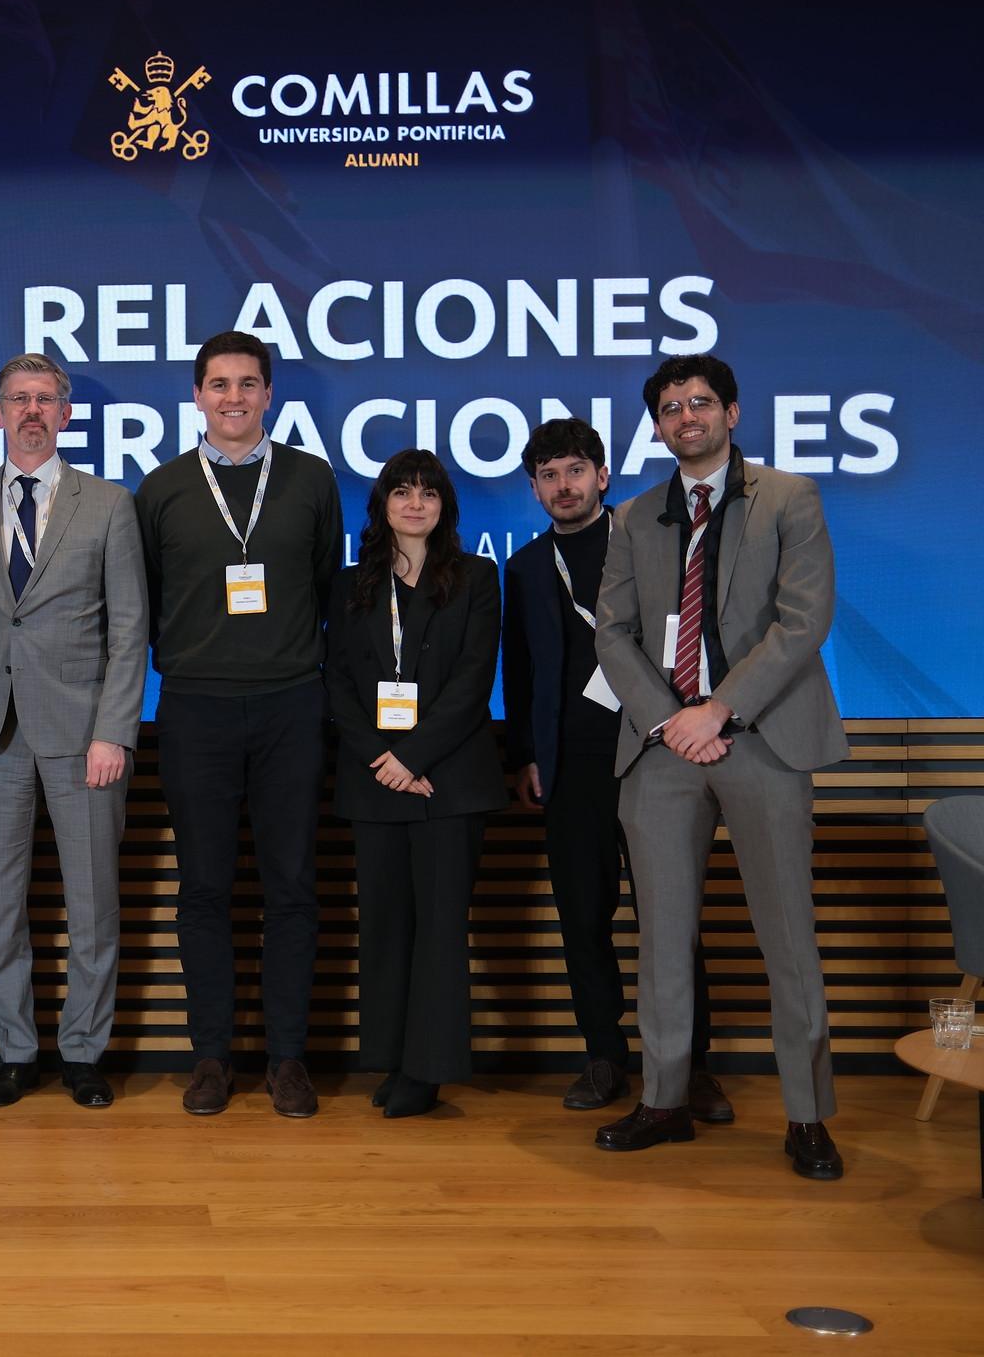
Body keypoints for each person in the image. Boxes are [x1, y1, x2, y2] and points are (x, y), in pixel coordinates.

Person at [594, 354, 849, 1180]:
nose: (686, 417)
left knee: (788, 937)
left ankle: (807, 1116)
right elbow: (613, 632)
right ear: (658, 425)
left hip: (764, 738)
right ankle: (664, 1097)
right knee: (662, 937)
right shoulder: (634, 516)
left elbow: (803, 621)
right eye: (670, 408)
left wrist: (719, 709)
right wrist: (673, 719)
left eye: (700, 402)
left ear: (731, 412)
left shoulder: (789, 497)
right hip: (664, 750)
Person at [133, 331, 342, 1118]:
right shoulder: (161, 489)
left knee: (293, 887)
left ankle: (288, 1057)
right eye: (217, 384)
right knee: (203, 891)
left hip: (293, 701)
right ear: (196, 396)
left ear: (268, 394)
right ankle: (211, 1057)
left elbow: (323, 584)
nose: (233, 397)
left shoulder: (312, 480)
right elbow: (149, 600)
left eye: (247, 383)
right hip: (194, 706)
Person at [502, 418, 731, 1119]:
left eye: (575, 470)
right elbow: (522, 670)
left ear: (602, 475)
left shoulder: (646, 539)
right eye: (548, 474)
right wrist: (525, 756)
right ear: (535, 487)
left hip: (655, 753)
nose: (563, 485)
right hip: (570, 767)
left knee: (669, 918)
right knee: (583, 917)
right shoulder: (528, 566)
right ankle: (603, 1053)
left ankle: (691, 1065)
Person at [0, 353, 147, 1109]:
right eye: (17, 399)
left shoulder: (107, 504)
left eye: (46, 399)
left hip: (84, 735)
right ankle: (16, 1050)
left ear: (66, 414)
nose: (32, 411)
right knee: (0, 905)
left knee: (92, 903)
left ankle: (85, 1051)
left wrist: (114, 731)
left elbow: (130, 628)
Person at [326, 449, 504, 1118]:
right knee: (386, 925)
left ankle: (428, 1072)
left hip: (450, 780)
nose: (415, 502)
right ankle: (394, 1056)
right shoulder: (352, 585)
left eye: (428, 492)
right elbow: (338, 681)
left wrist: (415, 756)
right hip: (375, 780)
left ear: (444, 506)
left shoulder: (477, 577)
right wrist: (383, 757)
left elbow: (473, 682)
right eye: (402, 491)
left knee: (438, 929)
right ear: (383, 504)